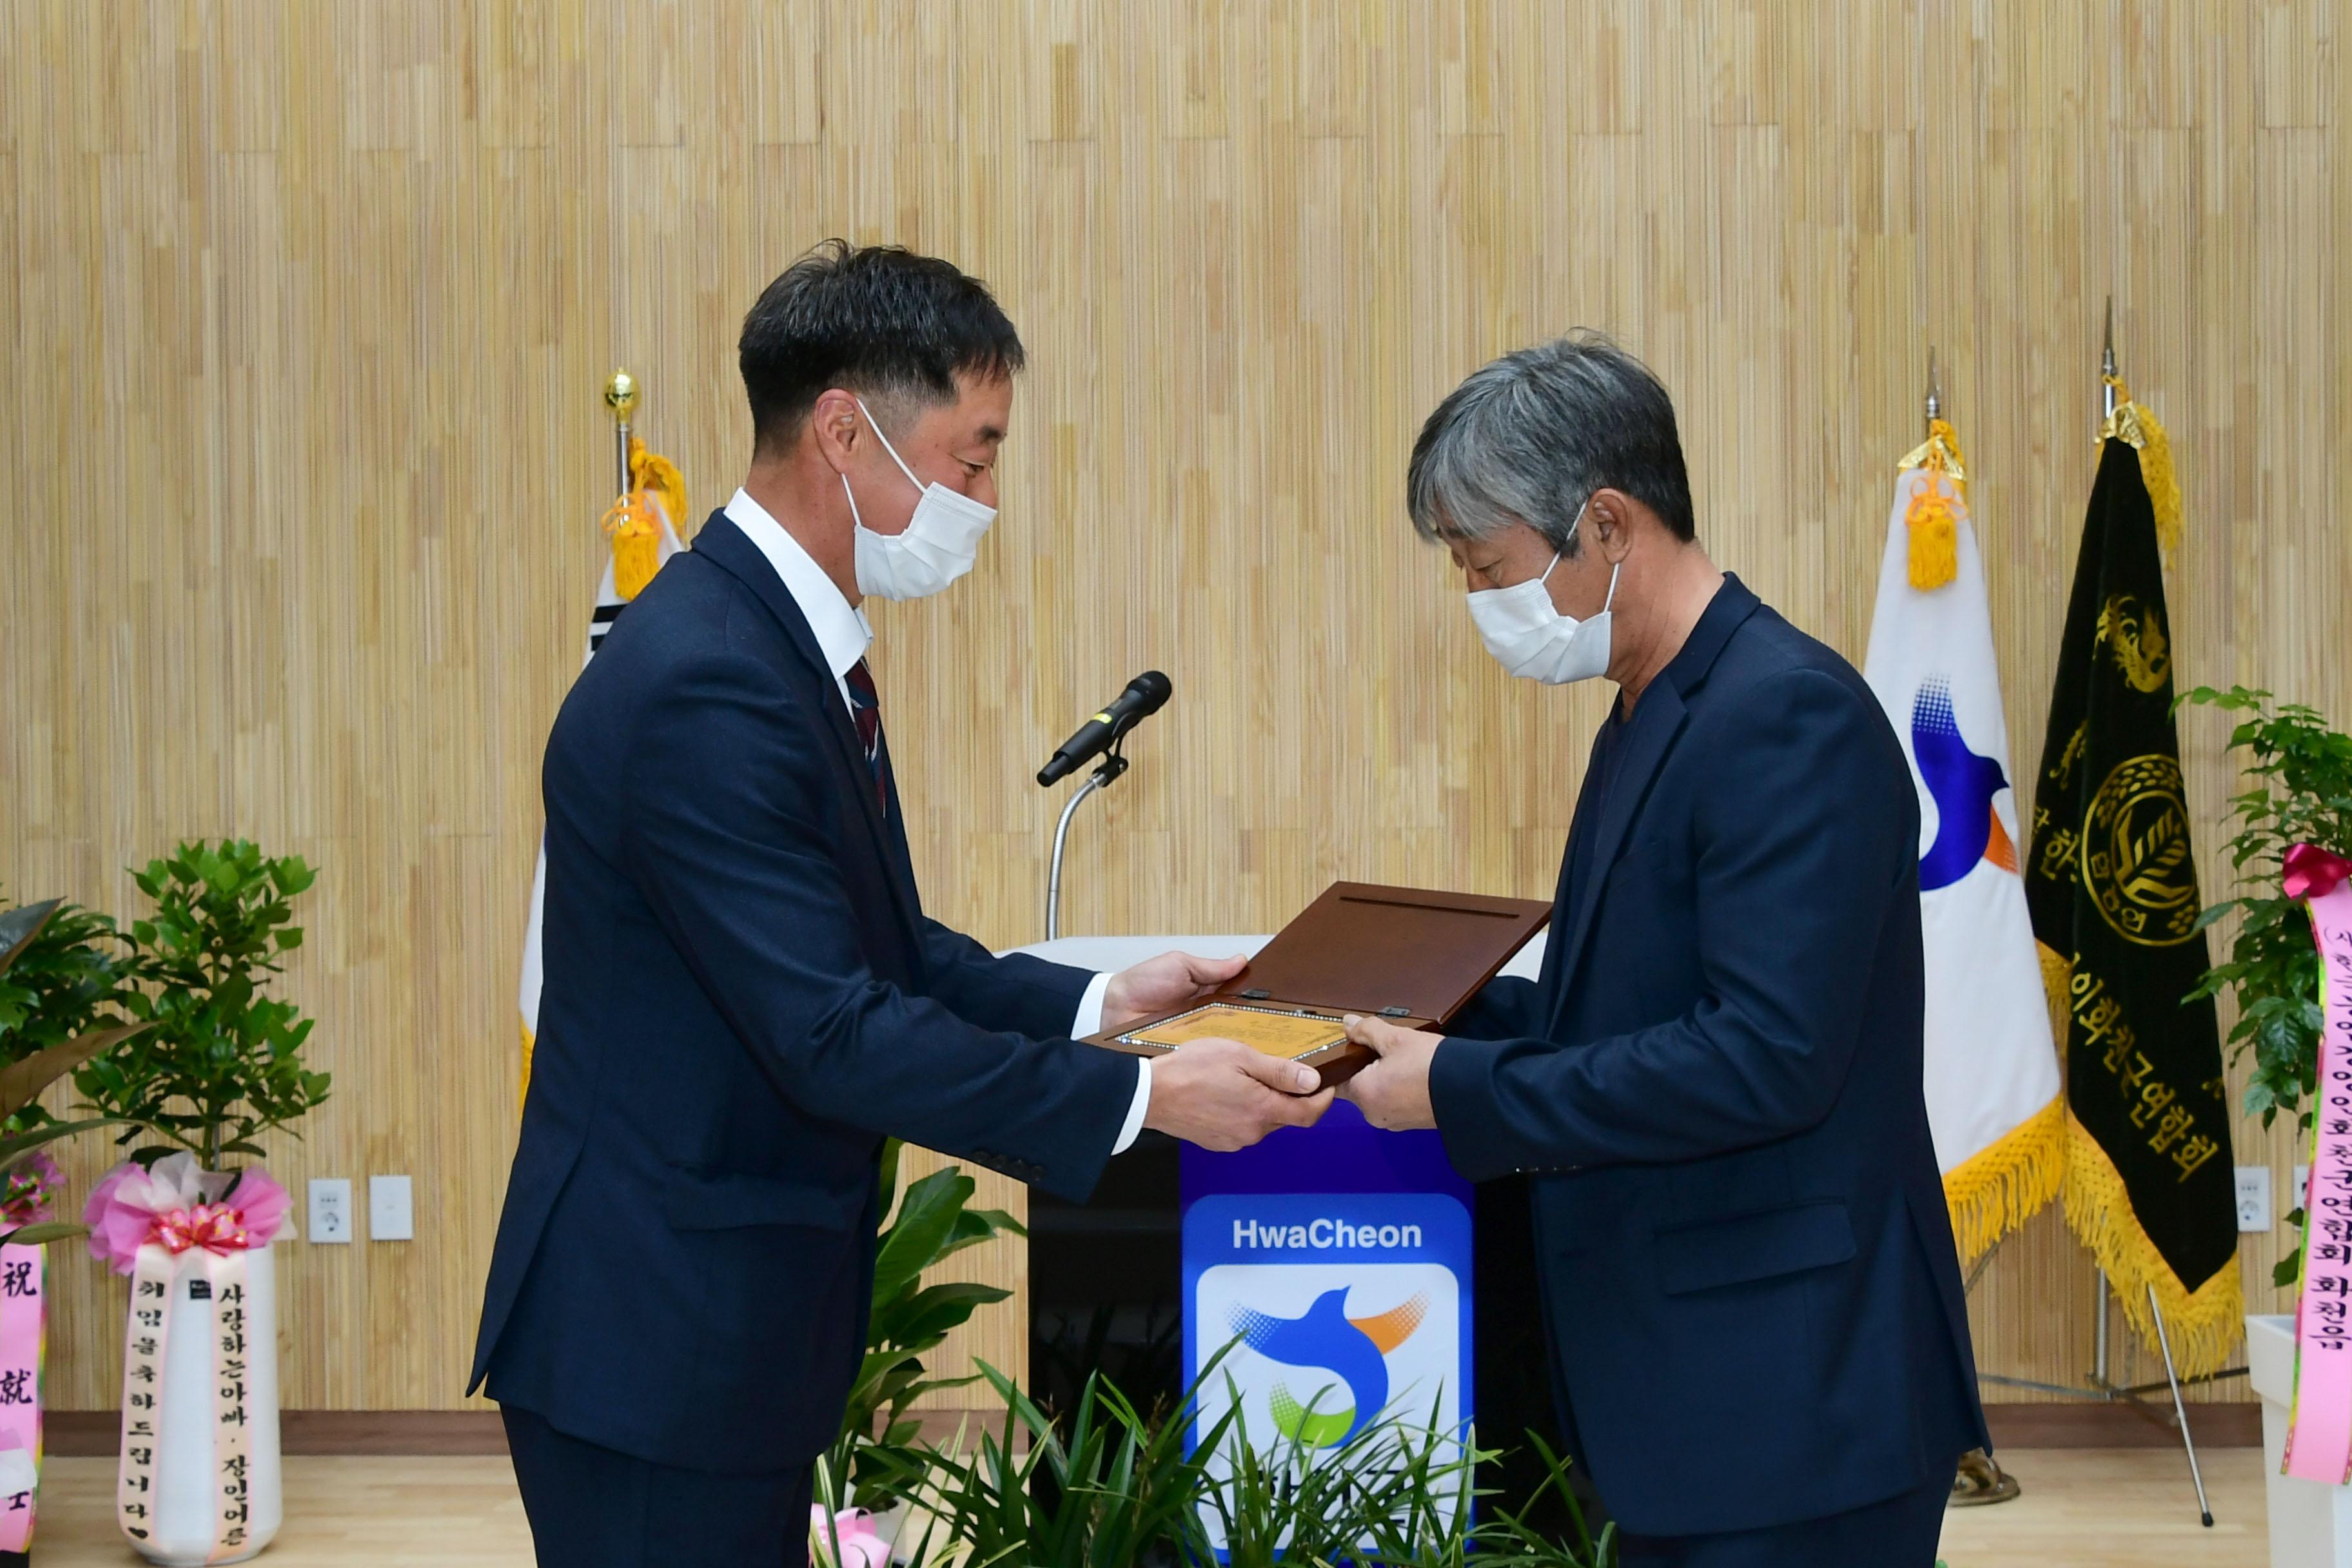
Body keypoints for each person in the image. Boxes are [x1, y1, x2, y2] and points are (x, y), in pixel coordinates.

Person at [471, 241, 1331, 1568]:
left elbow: (887, 953)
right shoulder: (710, 680)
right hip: (654, 1341)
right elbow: (833, 1029)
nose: (982, 499)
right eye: (971, 460)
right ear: (842, 430)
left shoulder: (774, 647)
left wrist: (1111, 1004)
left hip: (719, 1330)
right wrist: (1146, 1098)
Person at [1339, 334, 1987, 1566]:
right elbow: (1624, 1013)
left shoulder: (1784, 712)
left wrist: (1458, 1091)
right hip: (1691, 1394)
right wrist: (1427, 1023)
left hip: (1795, 1398)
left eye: (1492, 568)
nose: (1484, 606)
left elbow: (1765, 1058)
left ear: (1606, 525)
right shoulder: (1652, 706)